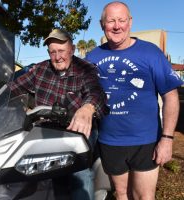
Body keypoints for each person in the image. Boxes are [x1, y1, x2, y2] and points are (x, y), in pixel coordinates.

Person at [85, 2, 184, 200]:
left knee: (143, 197)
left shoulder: (150, 53)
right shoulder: (93, 56)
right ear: (101, 24)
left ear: (130, 22)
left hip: (145, 141)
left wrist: (167, 139)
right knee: (121, 194)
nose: (117, 26)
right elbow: (85, 93)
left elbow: (171, 96)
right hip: (109, 141)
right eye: (111, 20)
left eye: (122, 20)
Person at [10, 28, 109, 200]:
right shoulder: (39, 70)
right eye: (53, 52)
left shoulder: (86, 69)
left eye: (61, 51)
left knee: (79, 173)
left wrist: (87, 109)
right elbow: (11, 89)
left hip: (75, 131)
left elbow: (96, 93)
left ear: (72, 49)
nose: (57, 57)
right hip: (45, 133)